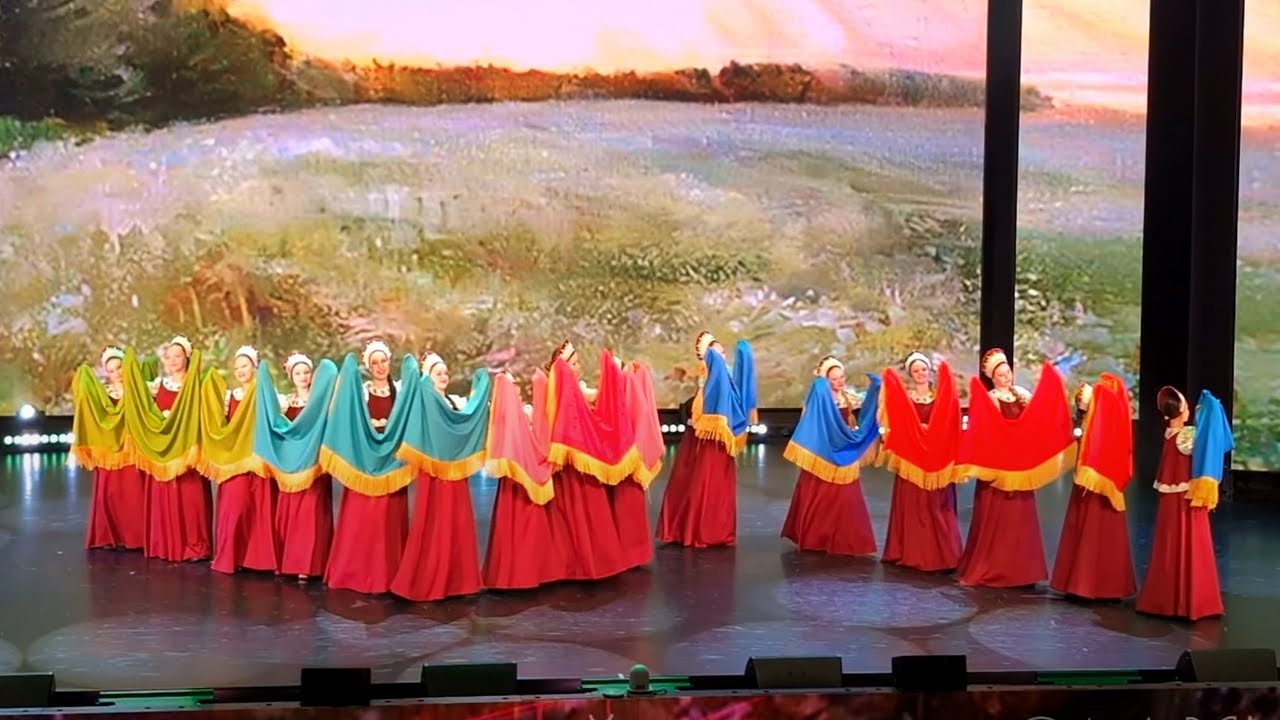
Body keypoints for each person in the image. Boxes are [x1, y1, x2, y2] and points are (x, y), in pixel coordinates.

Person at [953, 348, 1074, 588]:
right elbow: (984, 432)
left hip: (1020, 468)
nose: (1006, 378)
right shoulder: (989, 399)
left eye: (1007, 373)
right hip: (997, 468)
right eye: (1000, 375)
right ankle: (992, 567)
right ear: (993, 378)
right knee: (997, 518)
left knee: (1020, 519)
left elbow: (1035, 422)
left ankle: (1022, 572)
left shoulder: (1022, 395)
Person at [390, 352, 485, 602]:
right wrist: (423, 373)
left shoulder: (453, 403)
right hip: (434, 476)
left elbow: (466, 424)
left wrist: (483, 386)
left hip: (455, 474)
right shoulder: (426, 401)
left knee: (457, 524)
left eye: (445, 373)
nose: (443, 377)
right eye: (438, 373)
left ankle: (459, 581)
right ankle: (431, 579)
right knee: (436, 524)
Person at [324, 340, 411, 594]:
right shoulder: (361, 393)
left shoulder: (400, 393)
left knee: (387, 521)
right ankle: (357, 573)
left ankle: (388, 575)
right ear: (368, 367)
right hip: (364, 463)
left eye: (383, 361)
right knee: (363, 520)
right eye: (374, 363)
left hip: (392, 464)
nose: (380, 366)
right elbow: (347, 418)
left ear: (389, 362)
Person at [1135, 387, 1229, 620]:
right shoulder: (1187, 436)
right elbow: (1214, 442)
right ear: (1182, 410)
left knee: (1168, 545)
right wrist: (1212, 409)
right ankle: (1193, 601)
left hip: (1169, 500)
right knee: (1192, 544)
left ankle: (1165, 600)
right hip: (1186, 499)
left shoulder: (1170, 434)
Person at [540, 342, 631, 580]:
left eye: (577, 363)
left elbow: (597, 400)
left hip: (582, 459)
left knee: (583, 513)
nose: (578, 367)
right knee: (576, 513)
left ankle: (586, 562)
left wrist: (615, 376)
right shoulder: (557, 390)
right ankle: (579, 564)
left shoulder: (575, 390)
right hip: (572, 463)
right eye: (573, 363)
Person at [656, 332, 756, 548]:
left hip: (717, 440)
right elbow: (700, 411)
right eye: (717, 352)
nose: (722, 356)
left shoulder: (724, 378)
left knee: (715, 485)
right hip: (705, 442)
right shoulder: (709, 377)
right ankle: (698, 531)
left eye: (722, 352)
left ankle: (715, 530)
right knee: (702, 483)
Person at [781, 356, 881, 556]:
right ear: (826, 381)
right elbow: (809, 424)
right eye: (834, 379)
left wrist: (876, 388)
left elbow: (864, 411)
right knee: (820, 495)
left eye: (842, 377)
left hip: (843, 453)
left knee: (845, 498)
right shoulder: (818, 400)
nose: (840, 381)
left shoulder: (848, 397)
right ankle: (817, 538)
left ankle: (844, 539)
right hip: (824, 453)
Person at [1049, 376, 1137, 600]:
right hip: (1087, 480)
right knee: (1084, 529)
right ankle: (1080, 583)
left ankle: (1099, 585)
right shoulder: (1093, 426)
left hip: (1100, 481)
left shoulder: (1109, 423)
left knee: (1099, 531)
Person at [879, 353, 964, 572]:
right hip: (913, 458)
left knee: (938, 504)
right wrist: (916, 431)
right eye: (916, 371)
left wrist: (934, 431)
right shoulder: (906, 398)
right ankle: (913, 552)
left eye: (923, 370)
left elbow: (950, 422)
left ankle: (943, 554)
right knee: (914, 504)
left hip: (937, 456)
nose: (920, 374)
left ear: (929, 371)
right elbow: (897, 424)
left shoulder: (940, 397)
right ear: (911, 374)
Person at [482, 370, 564, 589]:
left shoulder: (522, 415)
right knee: (518, 530)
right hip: (518, 484)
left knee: (526, 529)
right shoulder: (507, 420)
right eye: (514, 390)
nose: (517, 394)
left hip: (524, 478)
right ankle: (519, 576)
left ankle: (529, 573)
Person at [210, 346, 280, 574]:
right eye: (237, 367)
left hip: (259, 460)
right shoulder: (231, 397)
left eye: (244, 366)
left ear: (254, 367)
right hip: (236, 461)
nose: (240, 371)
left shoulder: (265, 394)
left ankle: (258, 560)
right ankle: (231, 557)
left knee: (260, 507)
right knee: (234, 508)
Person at [144, 336, 213, 562]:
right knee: (166, 496)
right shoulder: (158, 386)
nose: (173, 360)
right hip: (165, 451)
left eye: (178, 356)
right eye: (169, 357)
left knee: (190, 499)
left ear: (187, 358)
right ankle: (167, 545)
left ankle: (195, 547)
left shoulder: (197, 385)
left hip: (188, 451)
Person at [273, 353, 333, 581]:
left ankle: (311, 564)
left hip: (315, 466)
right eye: (298, 373)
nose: (303, 376)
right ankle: (289, 561)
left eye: (306, 372)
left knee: (312, 512)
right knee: (292, 511)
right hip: (292, 467)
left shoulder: (320, 402)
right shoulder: (286, 404)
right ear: (291, 376)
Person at [84, 346, 147, 551]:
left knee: (133, 492)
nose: (116, 373)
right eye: (111, 371)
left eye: (119, 368)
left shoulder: (139, 390)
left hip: (132, 448)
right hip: (111, 449)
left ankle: (136, 537)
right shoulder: (104, 394)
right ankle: (109, 536)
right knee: (110, 493)